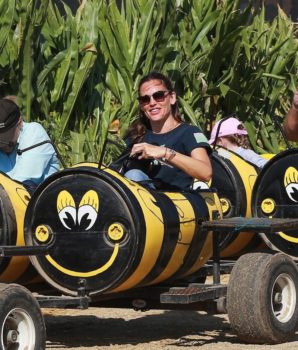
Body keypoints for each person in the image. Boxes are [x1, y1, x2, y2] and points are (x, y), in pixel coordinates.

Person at [122, 71, 212, 191]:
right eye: (145, 99)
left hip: (176, 203)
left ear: (172, 98)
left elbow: (205, 172)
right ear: (141, 105)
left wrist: (164, 153)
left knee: (134, 176)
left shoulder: (189, 133)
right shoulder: (138, 137)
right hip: (140, 203)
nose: (152, 103)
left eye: (158, 96)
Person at [0, 98, 60, 190]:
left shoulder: (34, 133)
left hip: (44, 199)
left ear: (19, 123)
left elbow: (18, 184)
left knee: (27, 184)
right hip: (6, 201)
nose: (2, 142)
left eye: (7, 135)